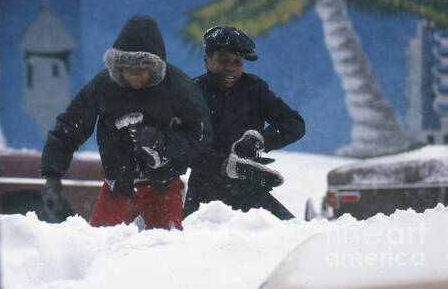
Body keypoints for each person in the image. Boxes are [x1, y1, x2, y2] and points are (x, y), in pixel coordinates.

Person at [40, 14, 212, 230]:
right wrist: (52, 177)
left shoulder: (180, 89)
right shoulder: (104, 86)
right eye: (128, 71)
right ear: (117, 67)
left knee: (167, 248)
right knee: (101, 247)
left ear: (155, 67)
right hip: (117, 187)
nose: (135, 77)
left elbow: (202, 135)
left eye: (142, 71)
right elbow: (69, 128)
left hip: (163, 187)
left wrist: (163, 144)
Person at [184, 26, 305, 220]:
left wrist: (259, 140)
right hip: (204, 191)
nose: (230, 67)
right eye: (223, 60)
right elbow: (185, 148)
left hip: (248, 187)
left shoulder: (254, 89)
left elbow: (294, 124)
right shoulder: (191, 93)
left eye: (237, 62)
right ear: (206, 60)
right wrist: (227, 165)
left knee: (293, 235)